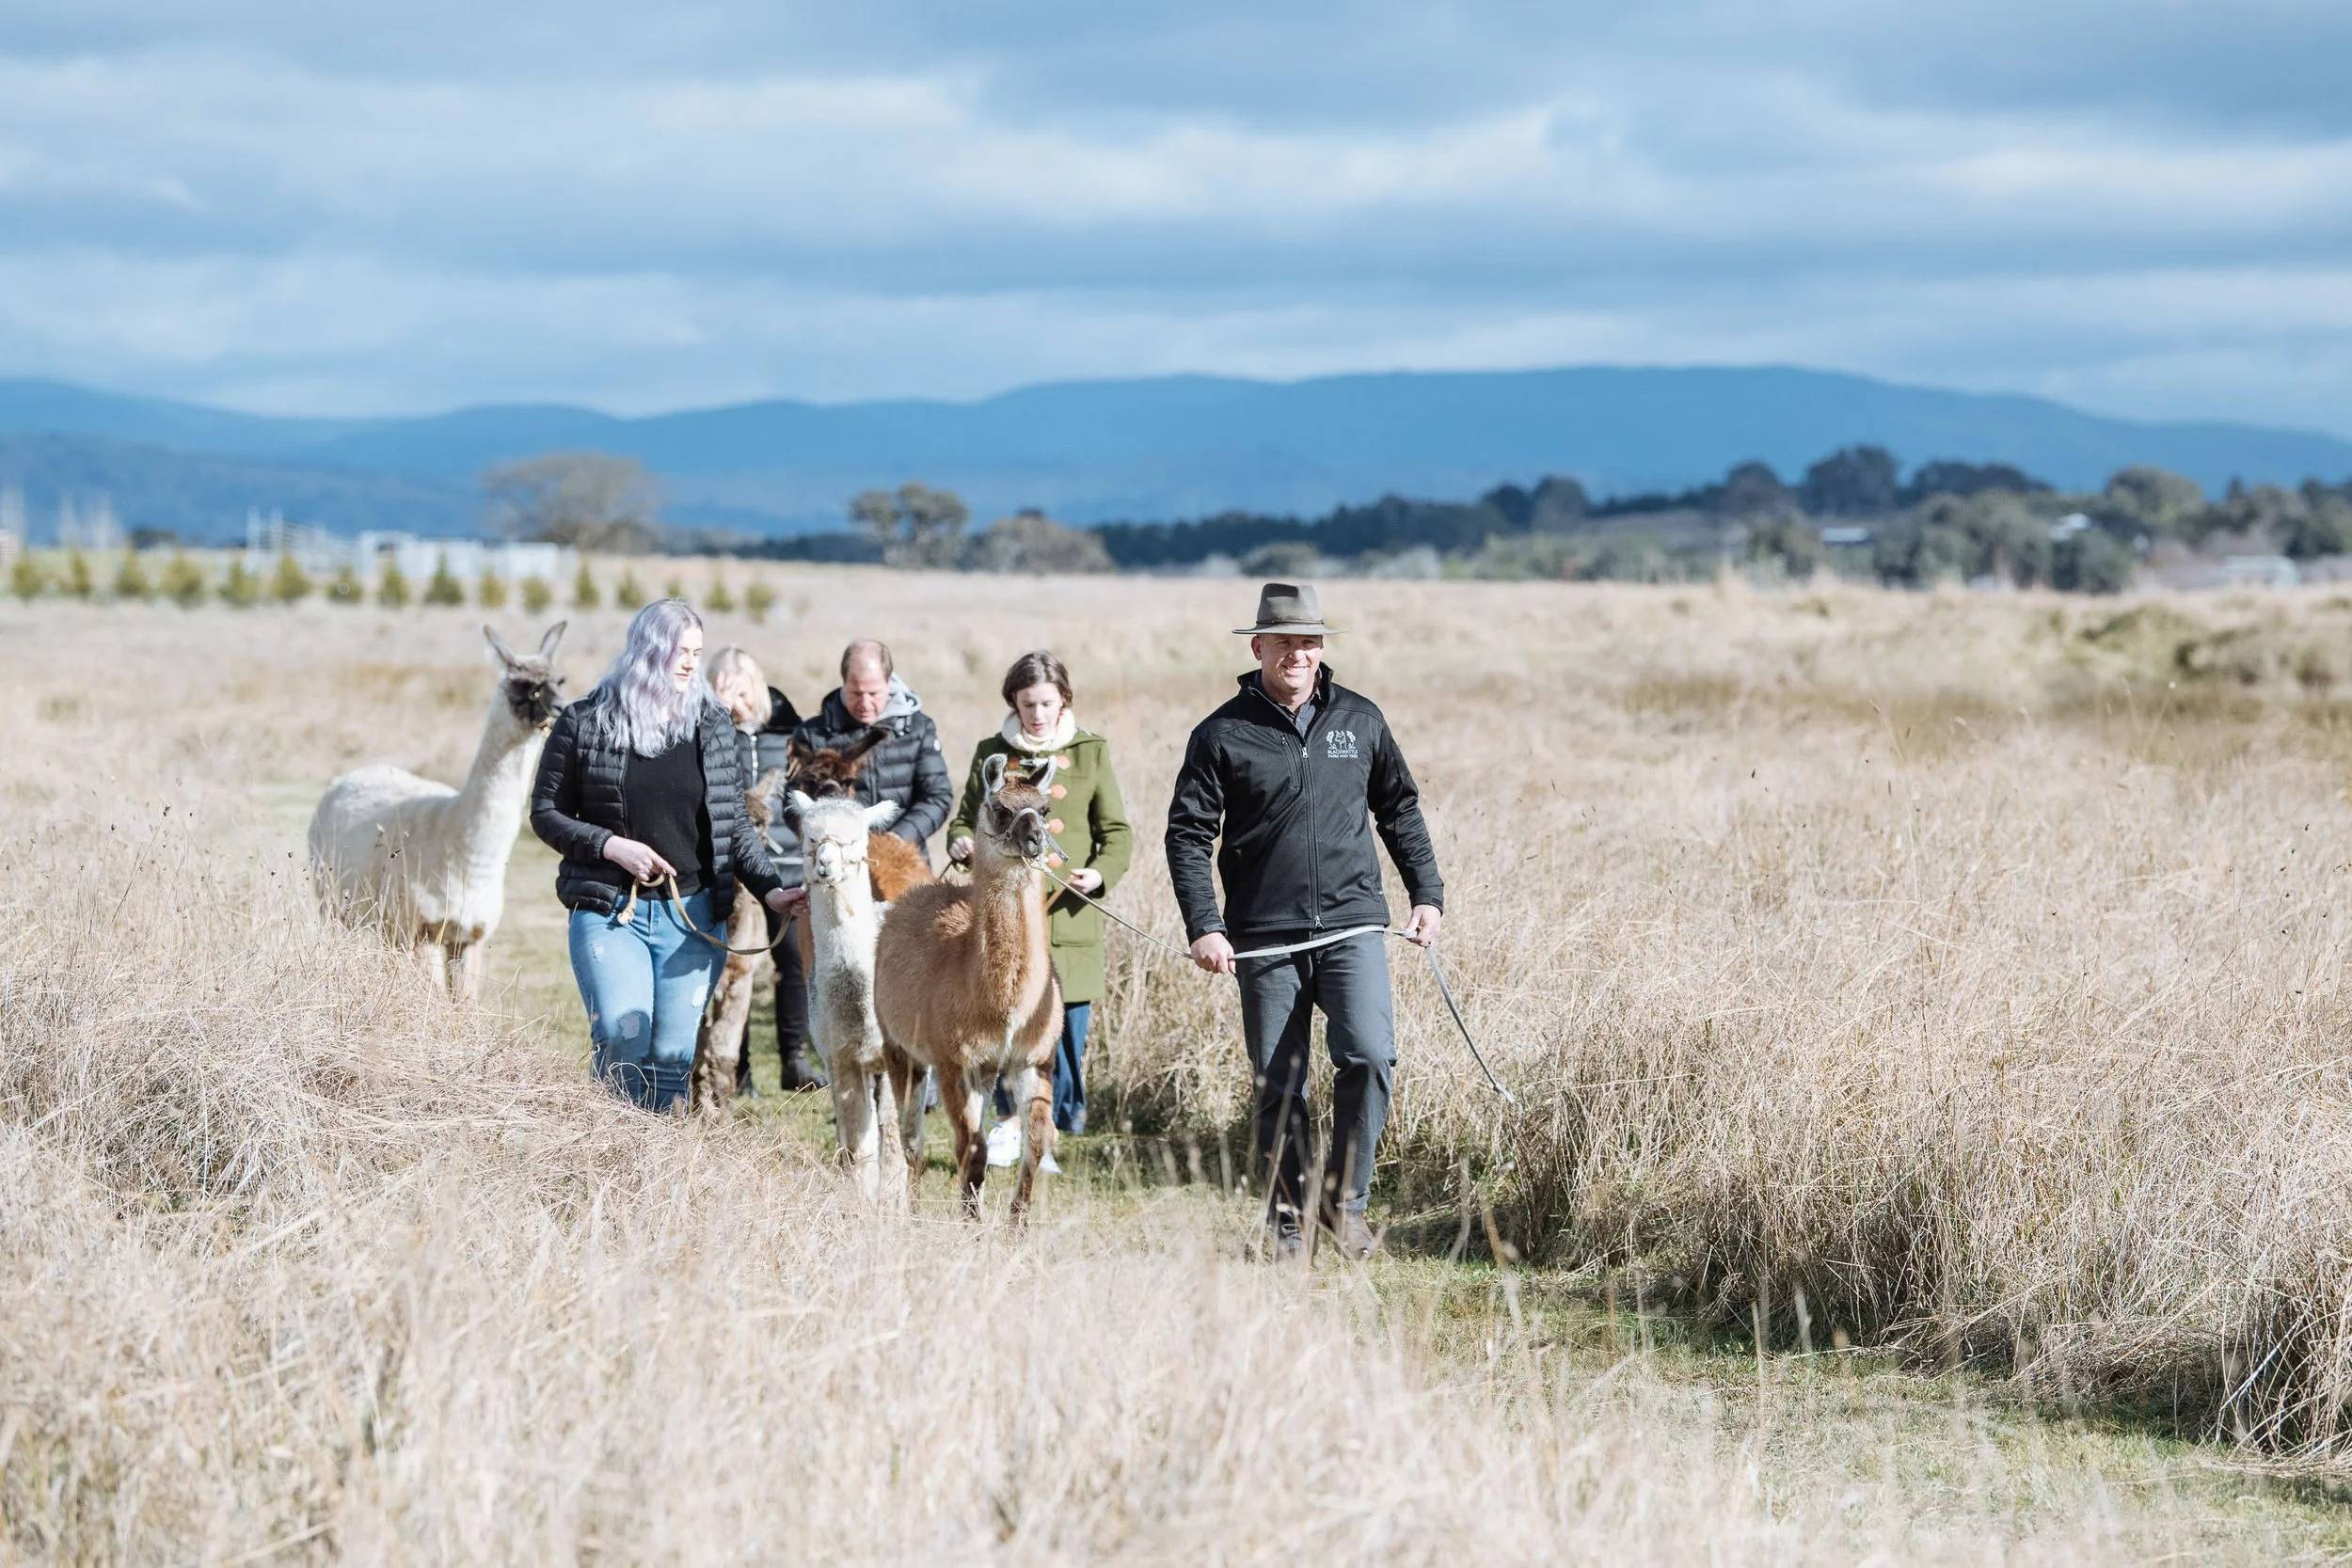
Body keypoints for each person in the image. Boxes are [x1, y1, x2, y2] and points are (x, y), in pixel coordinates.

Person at [1165, 582, 1444, 1259]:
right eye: (1284, 641)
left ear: (1322, 648)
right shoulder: (1221, 733)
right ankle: (1288, 1221)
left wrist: (1426, 893)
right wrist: (1205, 925)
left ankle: (1343, 1207)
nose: (1298, 652)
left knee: (1371, 1055)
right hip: (1263, 933)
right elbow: (1186, 834)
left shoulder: (1361, 720)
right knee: (1280, 1080)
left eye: (1309, 640)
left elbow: (1399, 808)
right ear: (1258, 646)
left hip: (1352, 925)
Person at [530, 599, 793, 1113]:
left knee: (673, 1059)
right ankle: (609, 1160)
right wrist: (611, 846)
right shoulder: (585, 722)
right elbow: (545, 812)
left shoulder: (712, 723)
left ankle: (652, 1177)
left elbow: (733, 821)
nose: (693, 663)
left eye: (697, 651)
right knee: (623, 1040)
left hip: (691, 915)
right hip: (610, 910)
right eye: (680, 650)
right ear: (648, 649)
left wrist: (772, 889)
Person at [946, 650, 1134, 1170]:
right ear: (1014, 702)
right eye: (1027, 703)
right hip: (1001, 913)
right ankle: (1013, 1127)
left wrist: (1098, 874)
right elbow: (965, 819)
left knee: (1063, 1030)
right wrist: (961, 843)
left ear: (1063, 701)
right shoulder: (992, 752)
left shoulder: (1090, 752)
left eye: (1047, 703)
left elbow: (1116, 833)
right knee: (999, 1019)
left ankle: (1057, 1124)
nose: (1037, 714)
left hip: (1067, 913)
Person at [769, 638, 955, 1088]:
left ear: (890, 682)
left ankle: (918, 1077)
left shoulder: (917, 728)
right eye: (856, 693)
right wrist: (827, 835)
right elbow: (791, 806)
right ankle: (850, 1073)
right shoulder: (814, 735)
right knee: (838, 974)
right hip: (834, 877)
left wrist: (892, 840)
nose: (867, 702)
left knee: (908, 973)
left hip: (902, 872)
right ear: (842, 685)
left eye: (875, 692)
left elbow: (938, 796)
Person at [705, 644, 805, 1097]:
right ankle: (738, 1071)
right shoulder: (708, 733)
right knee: (736, 965)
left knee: (792, 961)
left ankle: (795, 1059)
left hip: (782, 861)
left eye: (745, 692)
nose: (738, 703)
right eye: (728, 693)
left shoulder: (784, 731)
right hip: (730, 867)